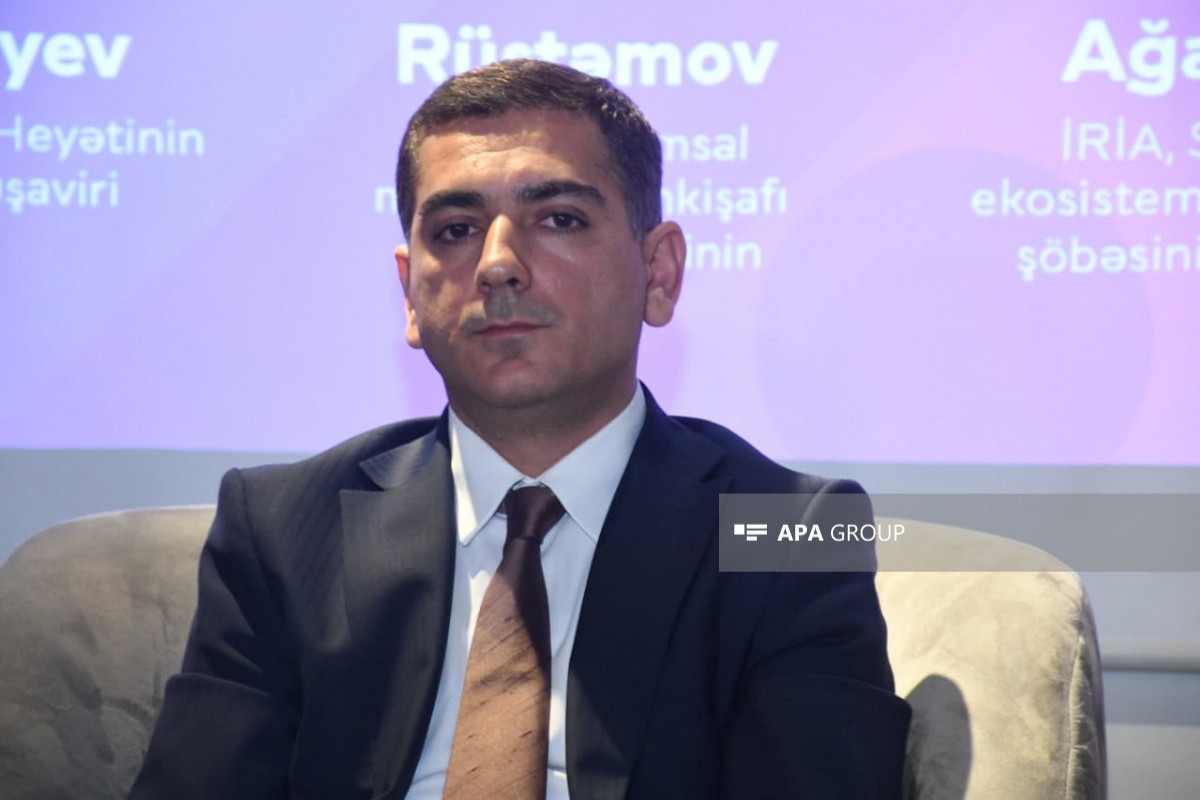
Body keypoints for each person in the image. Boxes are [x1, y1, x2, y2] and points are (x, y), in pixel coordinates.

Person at [130, 58, 910, 799]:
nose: (498, 263)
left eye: (559, 218)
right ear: (409, 294)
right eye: (455, 230)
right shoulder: (282, 528)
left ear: (659, 273)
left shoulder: (791, 532)